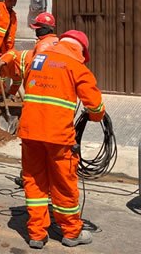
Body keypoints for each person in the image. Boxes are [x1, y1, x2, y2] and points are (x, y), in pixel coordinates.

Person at [18, 30, 105, 249]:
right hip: (58, 137)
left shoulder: (38, 59)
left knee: (34, 182)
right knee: (63, 184)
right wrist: (97, 115)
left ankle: (36, 234)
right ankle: (71, 233)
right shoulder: (77, 67)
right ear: (82, 51)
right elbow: (95, 107)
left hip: (30, 132)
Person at [0, 12, 59, 97]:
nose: (36, 31)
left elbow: (37, 70)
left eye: (38, 28)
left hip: (37, 77)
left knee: (30, 94)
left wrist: (30, 86)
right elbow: (17, 80)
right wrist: (12, 93)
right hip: (50, 79)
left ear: (47, 28)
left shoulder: (43, 45)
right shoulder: (55, 41)